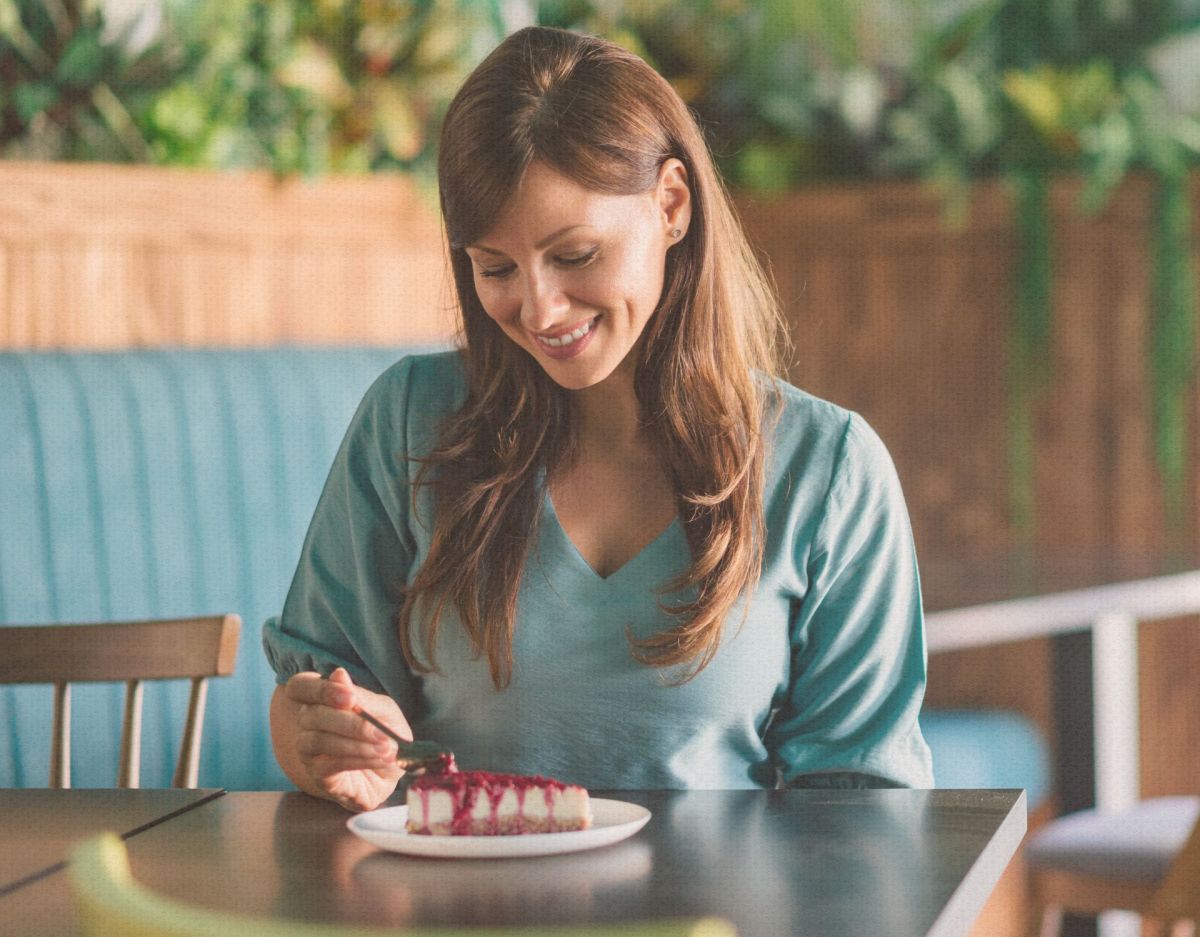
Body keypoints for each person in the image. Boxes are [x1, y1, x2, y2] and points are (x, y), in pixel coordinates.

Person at [263, 25, 933, 813]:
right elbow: (317, 693)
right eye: (496, 268)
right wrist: (314, 736)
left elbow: (863, 806)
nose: (540, 308)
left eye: (576, 254)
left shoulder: (830, 470)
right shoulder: (411, 421)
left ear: (672, 204)